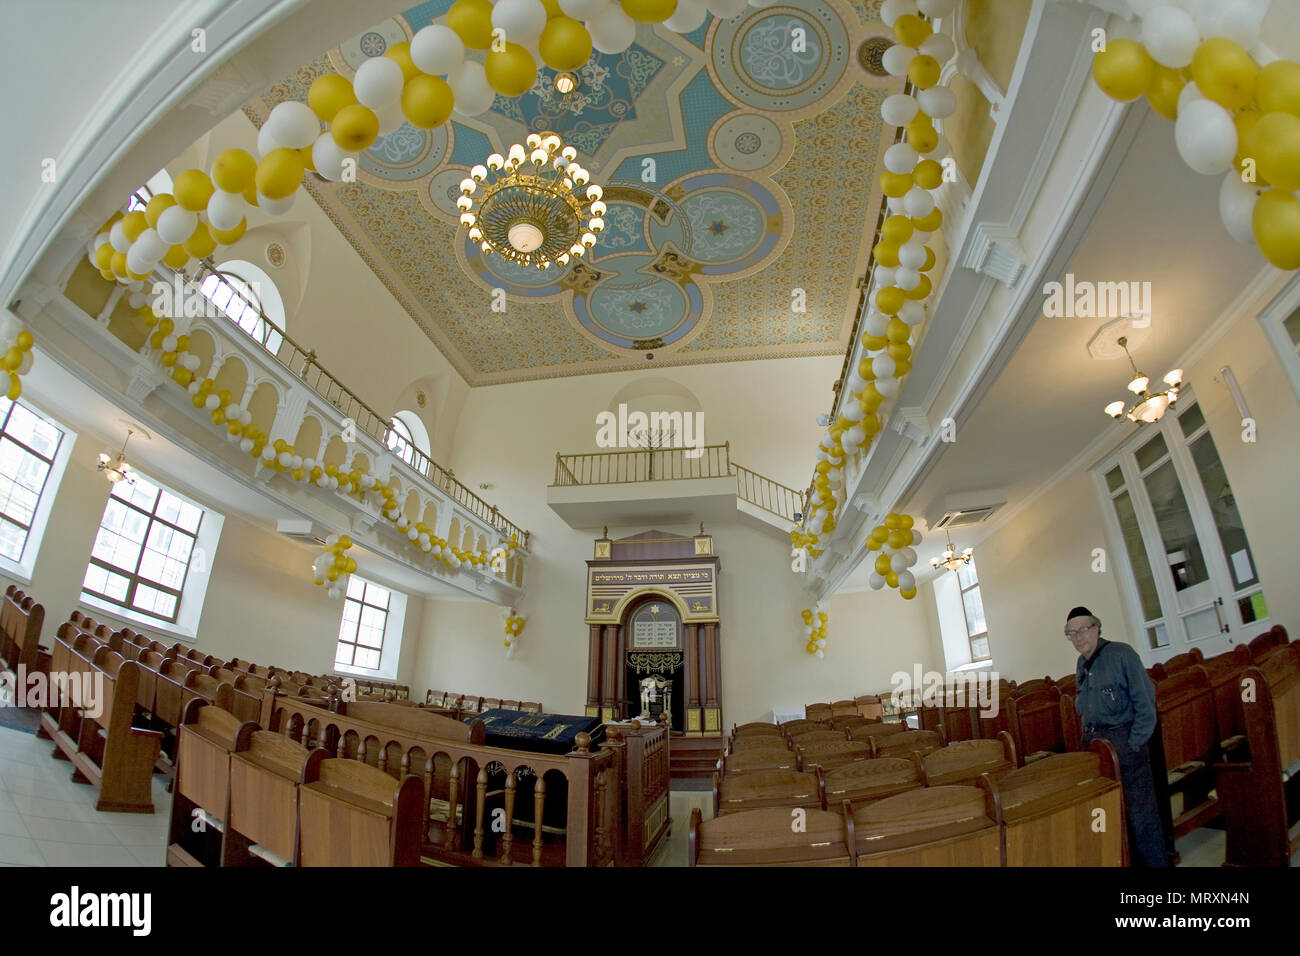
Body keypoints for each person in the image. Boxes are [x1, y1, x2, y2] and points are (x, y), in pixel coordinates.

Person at [1065, 605, 1168, 867]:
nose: (1078, 637)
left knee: (1141, 815)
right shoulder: (1081, 664)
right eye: (1072, 633)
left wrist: (1134, 743)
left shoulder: (1122, 654)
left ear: (1097, 628)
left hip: (1125, 744)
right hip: (1096, 747)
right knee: (1111, 811)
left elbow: (1146, 704)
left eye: (1083, 630)